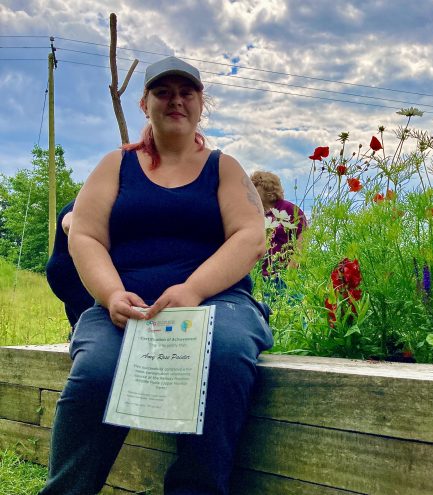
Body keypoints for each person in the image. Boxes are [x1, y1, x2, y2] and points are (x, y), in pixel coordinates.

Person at [39, 56, 273, 495]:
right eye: (163, 92)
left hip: (216, 302)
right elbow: (85, 235)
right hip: (124, 306)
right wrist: (110, 294)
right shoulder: (115, 166)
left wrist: (193, 290)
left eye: (186, 92)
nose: (176, 101)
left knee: (222, 356)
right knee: (97, 371)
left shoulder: (224, 168)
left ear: (202, 102)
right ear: (145, 102)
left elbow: (248, 235)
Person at [45, 199, 95, 339]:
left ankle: (76, 337)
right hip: (71, 273)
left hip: (67, 272)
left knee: (81, 321)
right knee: (91, 323)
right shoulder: (88, 200)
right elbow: (69, 223)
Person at [250, 171, 307, 284]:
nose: (252, 192)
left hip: (285, 275)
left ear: (270, 192)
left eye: (257, 187)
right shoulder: (255, 214)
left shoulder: (289, 209)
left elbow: (303, 237)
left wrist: (292, 268)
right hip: (261, 277)